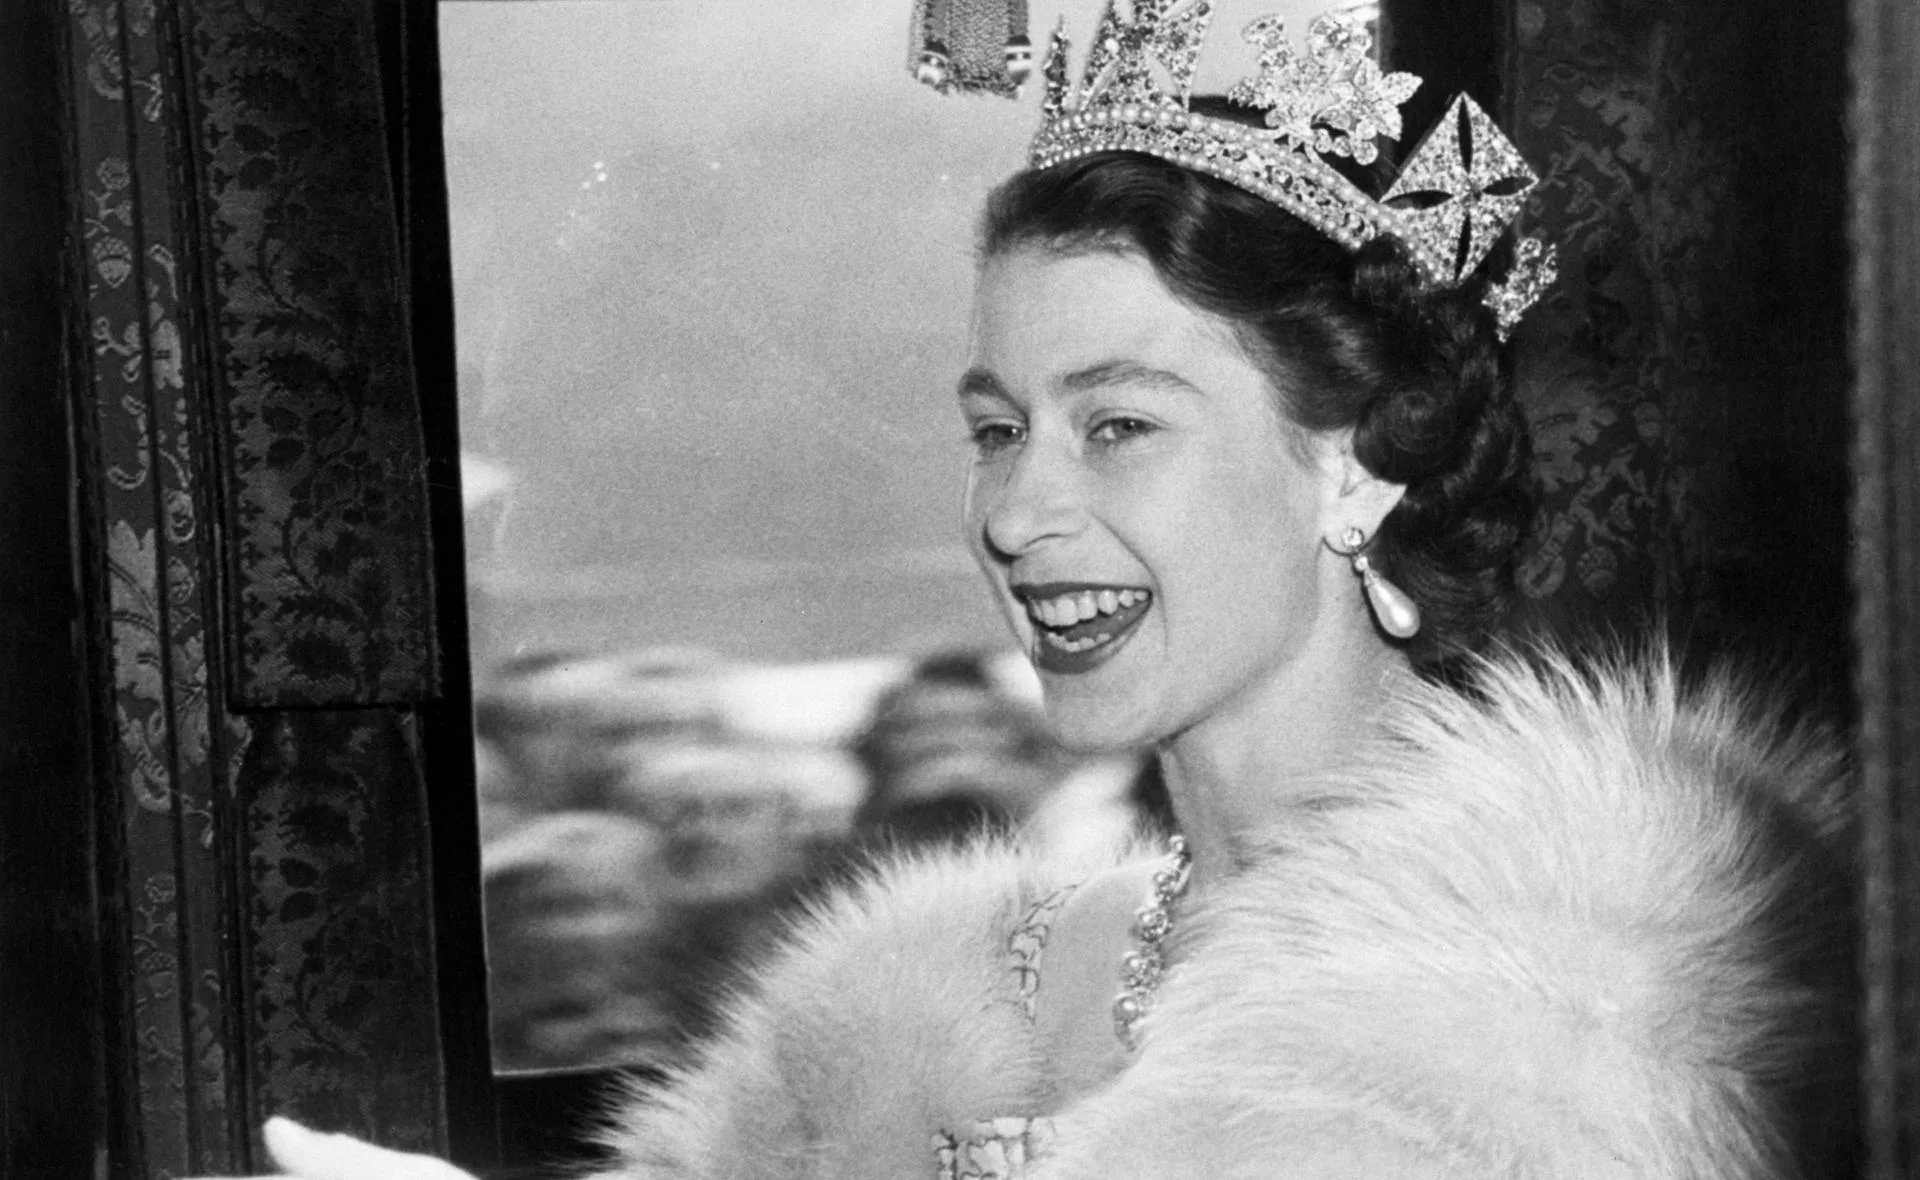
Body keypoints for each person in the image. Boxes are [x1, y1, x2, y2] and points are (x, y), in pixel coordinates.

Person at [224, 8, 1853, 1179]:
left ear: (1358, 462)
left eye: (1119, 425)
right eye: (995, 428)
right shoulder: (932, 1000)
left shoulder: (1612, 985)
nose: (1015, 509)